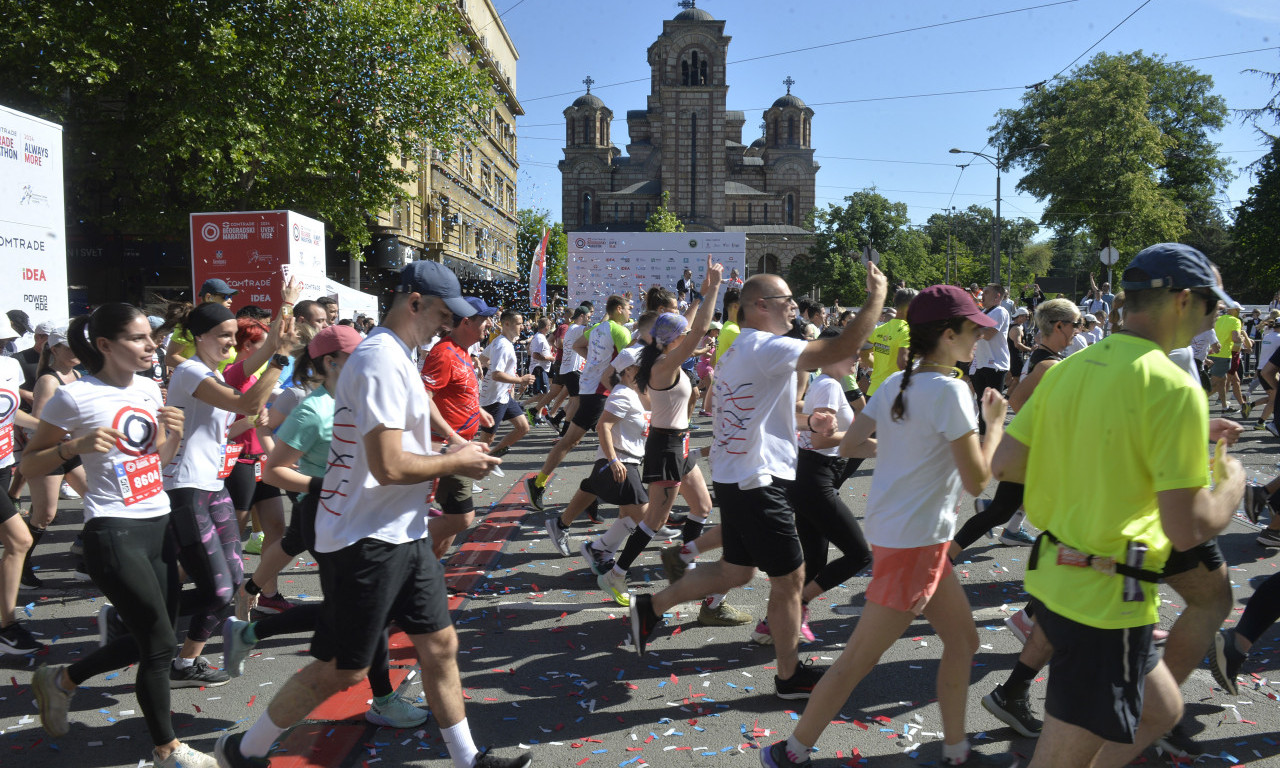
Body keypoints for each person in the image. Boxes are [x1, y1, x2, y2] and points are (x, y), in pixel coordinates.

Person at [214, 261, 529, 768]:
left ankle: (470, 760)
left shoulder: (398, 353)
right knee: (342, 669)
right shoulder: (379, 359)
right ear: (414, 303)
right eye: (445, 314)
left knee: (441, 645)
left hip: (400, 533)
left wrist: (451, 437)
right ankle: (242, 750)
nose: (449, 325)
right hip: (362, 539)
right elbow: (387, 466)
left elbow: (421, 399)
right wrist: (459, 459)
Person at [992, 243, 1244, 768]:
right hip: (1105, 601)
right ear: (1181, 301)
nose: (1216, 316)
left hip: (1057, 578)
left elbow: (1008, 463)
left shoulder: (1071, 367)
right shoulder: (1172, 384)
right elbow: (1187, 528)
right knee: (1063, 755)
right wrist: (1231, 487)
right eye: (1212, 305)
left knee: (1162, 710)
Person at [761, 285, 1013, 768]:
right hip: (915, 544)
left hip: (916, 539)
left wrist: (909, 448)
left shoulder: (897, 380)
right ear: (946, 333)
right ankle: (790, 752)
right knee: (858, 659)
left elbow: (851, 443)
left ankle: (956, 751)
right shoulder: (953, 390)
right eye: (972, 329)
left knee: (964, 642)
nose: (980, 338)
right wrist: (994, 422)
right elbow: (979, 478)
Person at [628, 264, 888, 703]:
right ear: (761, 306)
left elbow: (760, 410)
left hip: (739, 475)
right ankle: (789, 676)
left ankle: (650, 607)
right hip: (758, 479)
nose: (794, 308)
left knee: (736, 570)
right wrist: (876, 297)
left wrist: (808, 418)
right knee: (789, 579)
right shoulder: (768, 346)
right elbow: (843, 346)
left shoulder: (743, 350)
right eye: (787, 301)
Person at [25, 305, 215, 768]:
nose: (152, 346)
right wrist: (73, 447)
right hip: (113, 531)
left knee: (162, 639)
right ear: (106, 345)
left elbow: (155, 459)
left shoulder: (150, 388)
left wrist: (174, 434)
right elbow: (30, 464)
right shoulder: (75, 398)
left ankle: (63, 680)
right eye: (139, 338)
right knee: (158, 647)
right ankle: (167, 749)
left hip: (158, 524)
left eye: (151, 337)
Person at [224, 323, 428, 729]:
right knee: (368, 610)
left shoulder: (365, 398)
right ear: (332, 363)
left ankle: (247, 636)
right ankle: (383, 700)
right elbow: (274, 471)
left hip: (362, 515)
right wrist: (326, 484)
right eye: (358, 358)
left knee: (357, 610)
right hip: (323, 516)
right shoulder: (312, 409)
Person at [163, 282, 298, 688]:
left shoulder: (215, 371)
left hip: (213, 484)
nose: (231, 342)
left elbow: (238, 414)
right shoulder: (190, 371)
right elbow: (247, 402)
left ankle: (127, 619)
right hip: (186, 488)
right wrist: (279, 359)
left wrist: (286, 303)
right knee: (219, 589)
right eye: (223, 336)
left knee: (233, 575)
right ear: (199, 338)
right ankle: (183, 664)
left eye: (233, 336)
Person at [774, 350, 870, 646]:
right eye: (849, 352)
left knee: (815, 559)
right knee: (859, 555)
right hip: (814, 477)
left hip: (810, 474)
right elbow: (821, 438)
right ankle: (795, 606)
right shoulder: (828, 385)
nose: (855, 358)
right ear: (831, 356)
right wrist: (858, 434)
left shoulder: (824, 383)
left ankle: (772, 624)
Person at [525, 295, 632, 510]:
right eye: (629, 308)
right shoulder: (620, 331)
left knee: (612, 442)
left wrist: (596, 363)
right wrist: (608, 369)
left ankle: (594, 493)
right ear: (619, 309)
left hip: (592, 387)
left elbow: (577, 346)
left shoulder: (598, 328)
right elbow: (632, 361)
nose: (631, 312)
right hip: (599, 391)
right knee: (572, 441)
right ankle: (540, 483)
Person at [422, 297, 499, 558]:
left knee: (452, 520)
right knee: (461, 519)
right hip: (446, 448)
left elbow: (453, 392)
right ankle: (402, 543)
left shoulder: (463, 351)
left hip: (460, 445)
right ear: (466, 321)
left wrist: (478, 411)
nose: (489, 324)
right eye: (485, 319)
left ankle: (427, 574)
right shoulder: (444, 352)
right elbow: (424, 398)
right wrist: (453, 437)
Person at [21, 325, 90, 587]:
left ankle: (86, 560)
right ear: (55, 349)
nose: (77, 351)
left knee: (98, 499)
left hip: (74, 450)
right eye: (71, 347)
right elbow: (39, 422)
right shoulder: (48, 380)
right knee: (44, 515)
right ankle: (20, 563)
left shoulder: (77, 374)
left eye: (79, 346)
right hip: (48, 452)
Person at [0, 348, 41, 654]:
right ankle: (6, 626)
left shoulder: (9, 365)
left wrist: (48, 425)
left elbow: (10, 411)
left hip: (2, 465)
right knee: (19, 540)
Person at [476, 309, 534, 469]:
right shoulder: (502, 345)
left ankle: (492, 457)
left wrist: (488, 366)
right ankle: (471, 472)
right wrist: (520, 379)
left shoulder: (500, 342)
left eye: (522, 323)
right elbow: (496, 375)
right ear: (506, 324)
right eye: (519, 323)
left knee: (523, 427)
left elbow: (482, 358)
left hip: (503, 396)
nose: (522, 327)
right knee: (486, 439)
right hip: (493, 398)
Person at [165, 278, 237, 370]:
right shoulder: (190, 322)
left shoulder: (224, 324)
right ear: (208, 297)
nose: (230, 300)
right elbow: (170, 358)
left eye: (231, 297)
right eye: (226, 297)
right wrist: (203, 372)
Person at [970, 284, 1011, 435]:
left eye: (986, 293)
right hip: (981, 363)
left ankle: (994, 444)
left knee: (991, 408)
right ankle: (984, 442)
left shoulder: (1000, 311)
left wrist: (968, 326)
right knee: (982, 406)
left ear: (997, 297)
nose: (982, 295)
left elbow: (988, 334)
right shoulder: (985, 312)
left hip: (995, 364)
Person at [865, 288, 916, 397]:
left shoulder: (880, 329)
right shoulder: (907, 331)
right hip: (894, 394)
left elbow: (863, 351)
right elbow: (903, 363)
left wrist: (882, 367)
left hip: (874, 391)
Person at [1208, 303, 1250, 415]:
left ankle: (1226, 407)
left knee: (1225, 382)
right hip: (1224, 354)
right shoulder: (1235, 321)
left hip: (1213, 352)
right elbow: (1235, 338)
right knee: (1215, 384)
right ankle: (1195, 402)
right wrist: (1241, 338)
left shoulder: (1219, 318)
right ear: (1235, 310)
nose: (1239, 312)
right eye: (1238, 310)